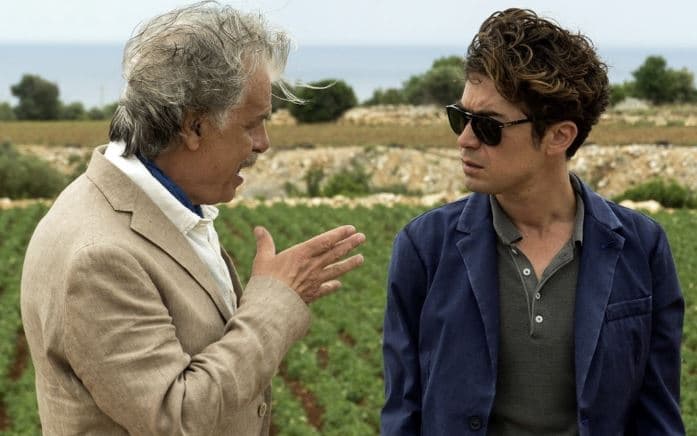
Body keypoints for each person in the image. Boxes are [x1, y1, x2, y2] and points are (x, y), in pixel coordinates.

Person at [20, 2, 365, 435]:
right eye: (252, 124)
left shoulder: (161, 204)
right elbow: (177, 416)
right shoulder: (100, 257)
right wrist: (275, 302)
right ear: (194, 127)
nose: (263, 143)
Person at [381, 8, 684, 436]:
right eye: (459, 117)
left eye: (487, 126)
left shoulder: (642, 246)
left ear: (559, 136)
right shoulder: (424, 247)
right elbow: (402, 412)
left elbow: (658, 415)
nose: (464, 139)